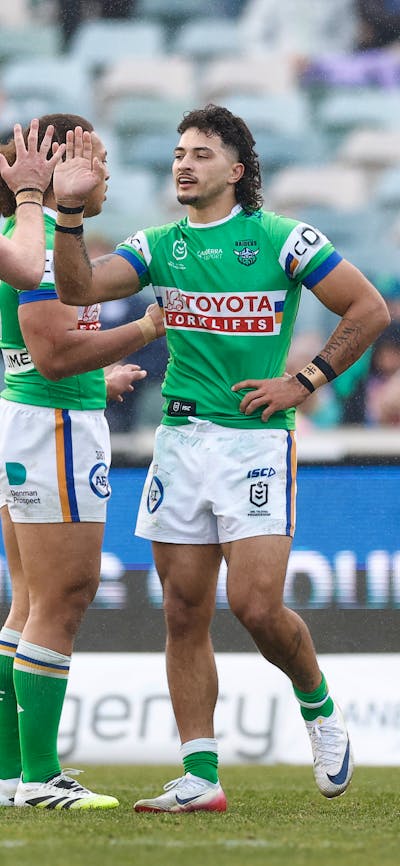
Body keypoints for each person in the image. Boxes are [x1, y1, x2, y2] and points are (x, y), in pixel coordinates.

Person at [53, 105, 390, 812]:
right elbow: (78, 288)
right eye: (178, 152)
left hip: (255, 443)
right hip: (180, 440)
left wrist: (305, 381)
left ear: (236, 170)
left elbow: (368, 310)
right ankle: (200, 776)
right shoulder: (158, 245)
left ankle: (319, 707)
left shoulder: (281, 239)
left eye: (201, 153)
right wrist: (71, 217)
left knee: (257, 605)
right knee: (181, 609)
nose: (182, 163)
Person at [0, 113, 164, 810]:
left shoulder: (37, 247)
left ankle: (14, 775)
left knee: (28, 605)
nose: (106, 173)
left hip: (40, 417)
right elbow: (55, 354)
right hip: (53, 427)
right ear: (62, 164)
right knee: (61, 599)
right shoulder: (34, 253)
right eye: (96, 157)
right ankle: (39, 777)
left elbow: (53, 356)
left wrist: (104, 376)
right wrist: (149, 326)